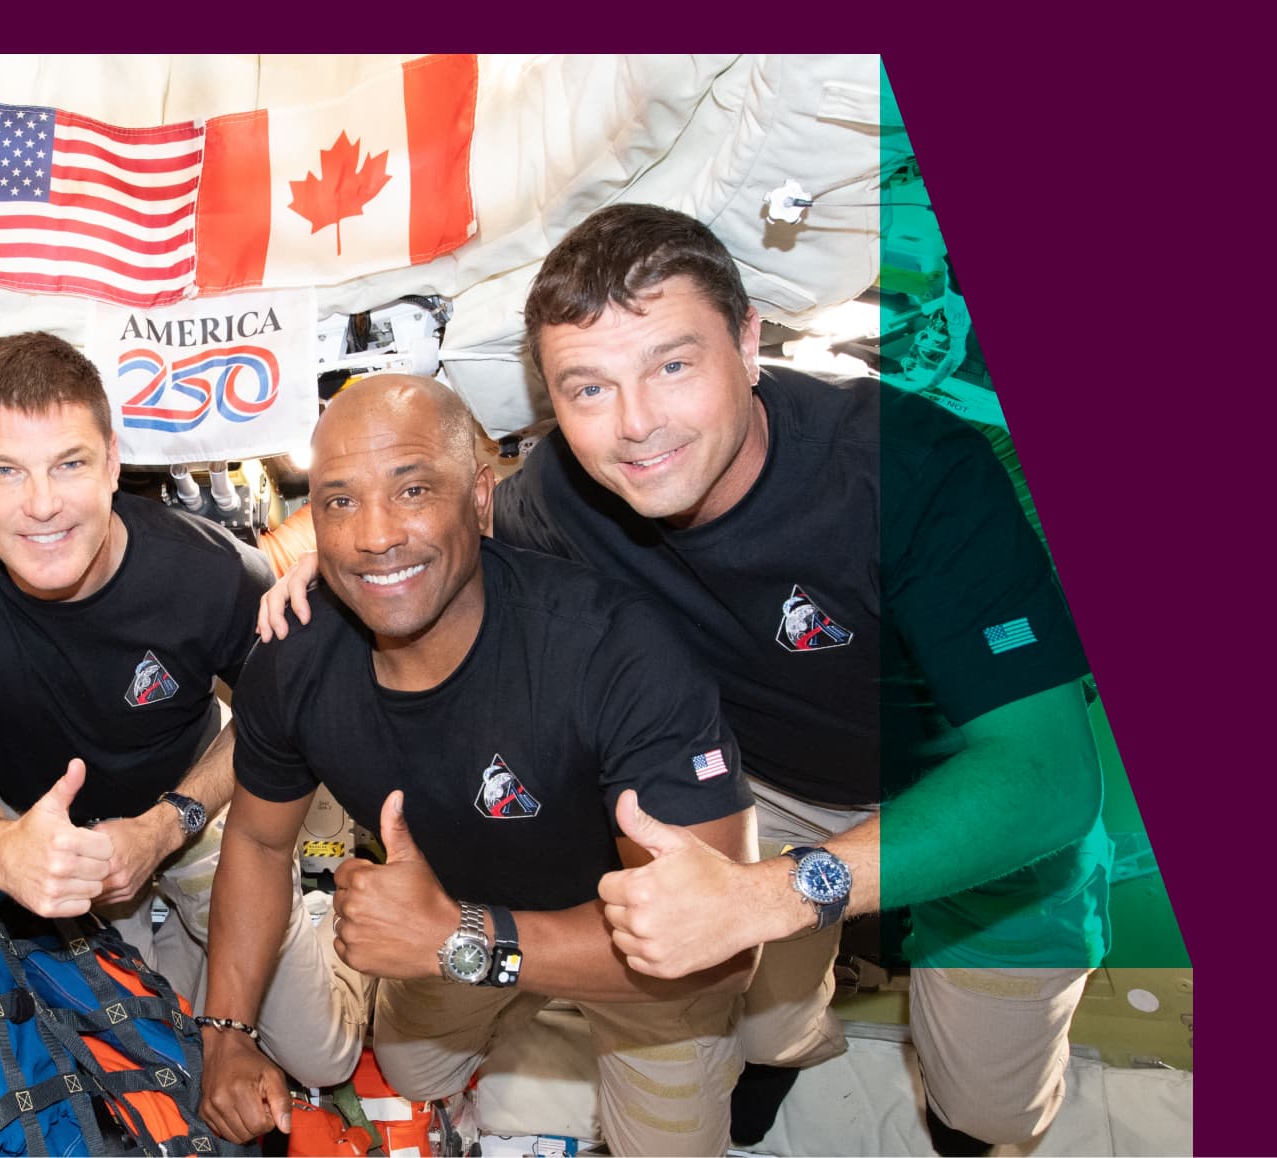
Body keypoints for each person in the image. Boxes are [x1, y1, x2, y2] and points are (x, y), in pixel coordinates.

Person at [262, 205, 1111, 1155]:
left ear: (748, 343)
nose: (635, 427)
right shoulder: (562, 495)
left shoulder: (905, 471)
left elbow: (1051, 777)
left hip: (966, 791)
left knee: (988, 1104)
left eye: (672, 365)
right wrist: (329, 558)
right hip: (766, 788)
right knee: (751, 1014)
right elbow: (427, 519)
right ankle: (788, 1051)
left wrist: (778, 895)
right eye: (589, 387)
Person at [204, 374, 756, 1155]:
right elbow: (259, 843)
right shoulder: (294, 660)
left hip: (640, 948)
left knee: (702, 1113)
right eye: (339, 501)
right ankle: (516, 998)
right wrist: (225, 1032)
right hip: (454, 917)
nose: (375, 536)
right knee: (415, 1070)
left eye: (414, 489)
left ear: (481, 498)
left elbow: (723, 953)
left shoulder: (614, 651)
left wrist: (457, 939)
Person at [0, 331, 364, 1091]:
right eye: (7, 471)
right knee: (121, 1043)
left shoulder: (210, 572)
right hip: (38, 822)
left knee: (321, 1060)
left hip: (186, 803)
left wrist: (166, 825)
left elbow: (273, 723)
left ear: (110, 463)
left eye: (68, 464)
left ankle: (306, 912)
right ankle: (173, 937)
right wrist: (1, 851)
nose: (41, 506)